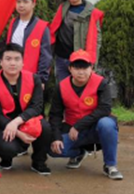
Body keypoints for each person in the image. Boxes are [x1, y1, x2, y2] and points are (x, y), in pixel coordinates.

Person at [48, 50, 123, 180]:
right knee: (52, 149)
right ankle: (79, 153)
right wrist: (56, 137)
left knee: (107, 124)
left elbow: (104, 109)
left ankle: (110, 166)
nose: (81, 71)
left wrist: (78, 126)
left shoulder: (101, 83)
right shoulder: (61, 87)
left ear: (91, 68)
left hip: (96, 129)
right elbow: (55, 115)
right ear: (70, 68)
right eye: (77, 67)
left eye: (85, 67)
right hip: (74, 133)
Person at [0, 43, 52, 175]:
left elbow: (37, 107)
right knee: (7, 148)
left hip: (27, 120)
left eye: (17, 59)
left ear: (22, 63)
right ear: (1, 62)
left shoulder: (34, 79)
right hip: (4, 123)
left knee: (45, 127)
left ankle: (39, 162)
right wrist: (18, 133)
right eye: (8, 59)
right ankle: (6, 158)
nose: (12, 63)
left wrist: (17, 122)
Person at [38, 0, 104, 82]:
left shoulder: (91, 13)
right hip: (61, 59)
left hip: (80, 63)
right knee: (62, 91)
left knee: (78, 93)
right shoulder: (64, 5)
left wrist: (92, 64)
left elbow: (96, 41)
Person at [0, 0, 51, 86]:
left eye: (25, 2)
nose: (21, 5)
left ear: (33, 4)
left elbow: (45, 57)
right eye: (19, 1)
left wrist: (41, 80)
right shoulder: (14, 23)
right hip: (11, 74)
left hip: (31, 77)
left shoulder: (42, 27)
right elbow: (7, 43)